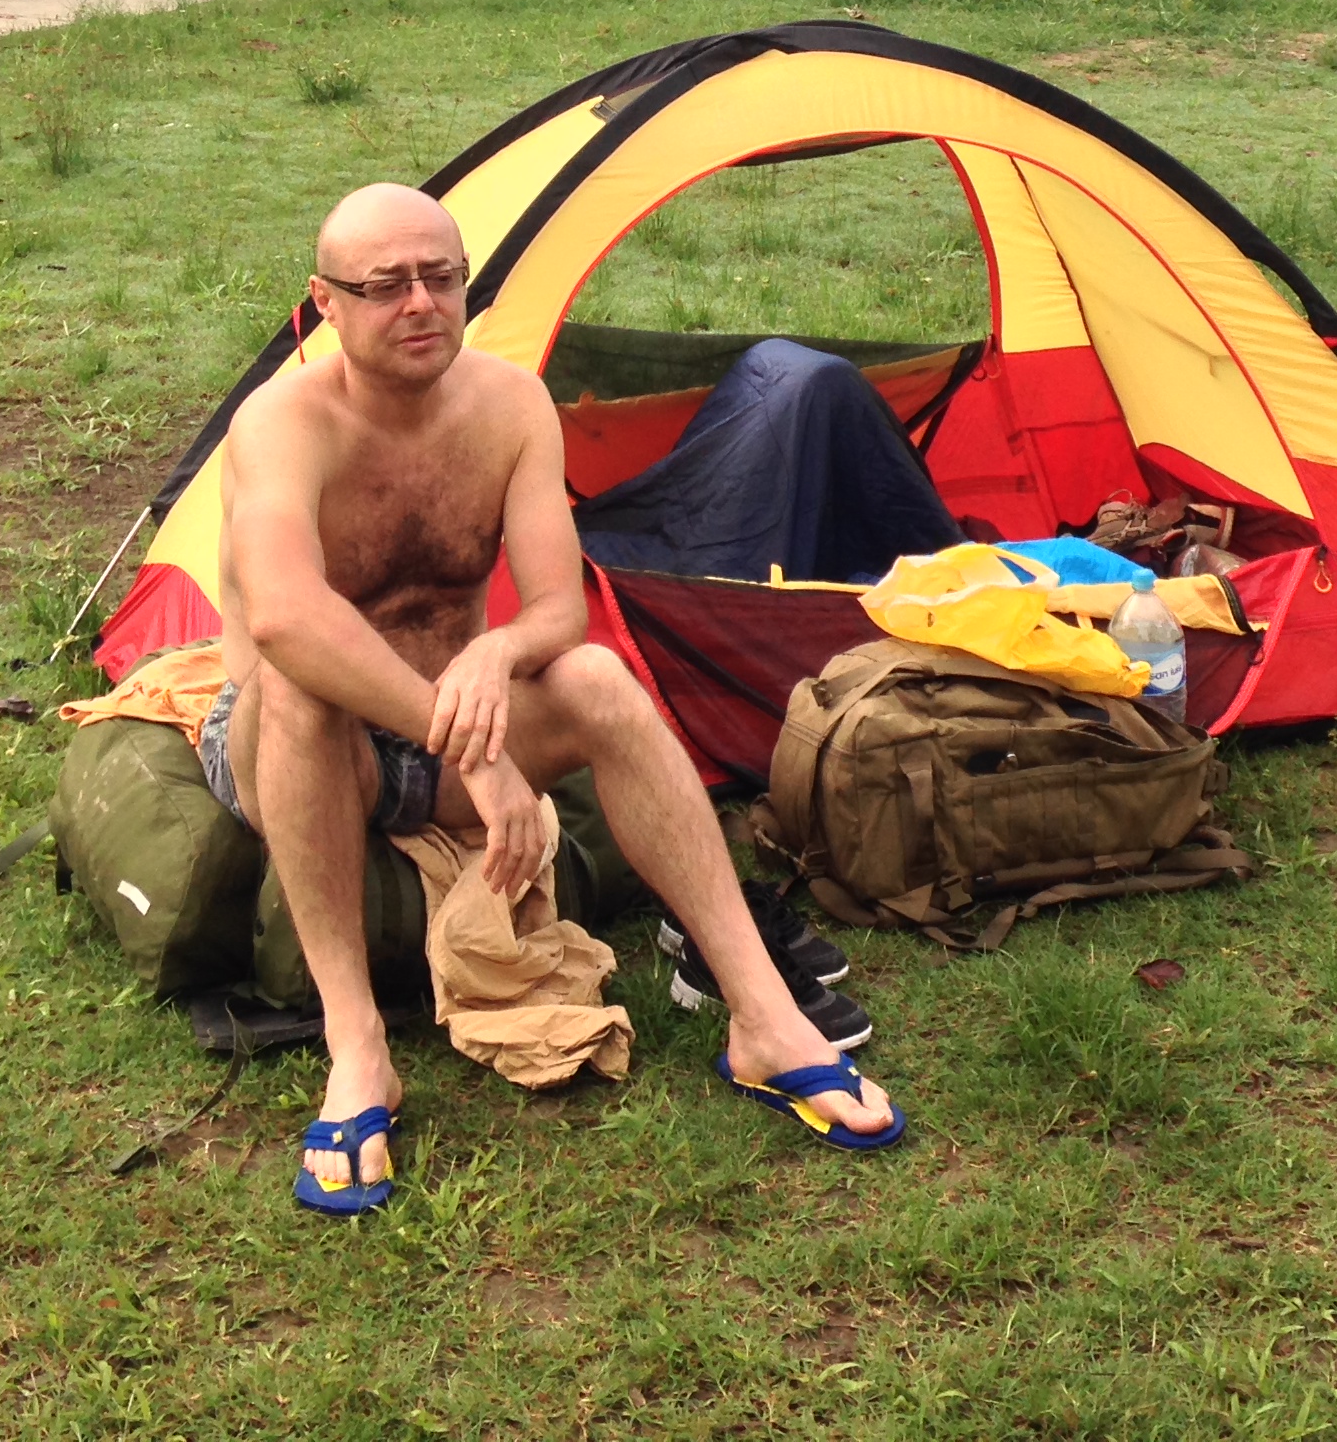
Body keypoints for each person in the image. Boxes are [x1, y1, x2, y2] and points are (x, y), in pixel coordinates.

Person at [207, 182, 901, 1214]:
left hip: (443, 725)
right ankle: (358, 1053)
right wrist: (476, 752)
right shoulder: (281, 425)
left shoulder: (508, 406)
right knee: (304, 687)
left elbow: (556, 611)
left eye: (441, 278)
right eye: (384, 285)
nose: (419, 304)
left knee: (597, 677)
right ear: (324, 305)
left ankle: (761, 1015)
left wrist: (494, 661)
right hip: (306, 746)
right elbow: (287, 623)